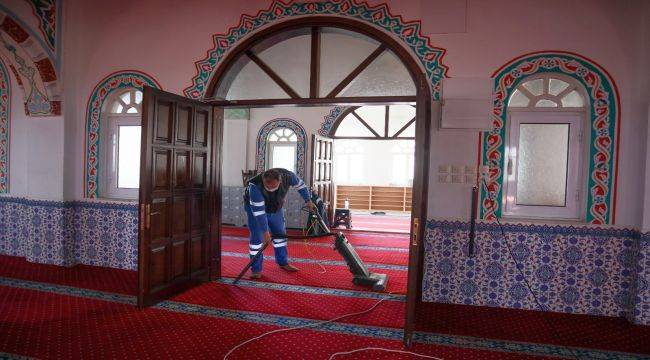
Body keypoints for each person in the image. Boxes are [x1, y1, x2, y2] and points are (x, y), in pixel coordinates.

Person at [244, 168, 316, 279]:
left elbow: (301, 186)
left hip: (276, 207)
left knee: (280, 236)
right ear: (263, 180)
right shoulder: (255, 186)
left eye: (273, 187)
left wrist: (308, 200)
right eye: (268, 187)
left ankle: (283, 262)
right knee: (257, 240)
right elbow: (259, 213)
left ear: (280, 181)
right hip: (256, 211)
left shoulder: (288, 176)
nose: (270, 190)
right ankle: (256, 270)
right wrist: (265, 232)